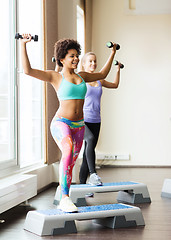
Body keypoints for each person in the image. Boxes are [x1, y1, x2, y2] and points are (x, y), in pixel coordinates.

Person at [20, 34, 116, 212]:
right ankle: (65, 198)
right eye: (71, 56)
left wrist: (113, 52)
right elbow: (28, 70)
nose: (76, 58)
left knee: (71, 162)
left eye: (76, 55)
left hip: (79, 126)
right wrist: (23, 45)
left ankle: (62, 189)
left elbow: (102, 74)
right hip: (61, 123)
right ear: (61, 59)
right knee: (67, 149)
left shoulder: (82, 76)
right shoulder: (55, 76)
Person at [79, 52, 121, 187]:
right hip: (83, 120)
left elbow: (115, 85)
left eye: (95, 61)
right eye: (90, 61)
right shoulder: (80, 79)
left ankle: (82, 187)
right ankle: (93, 174)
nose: (93, 64)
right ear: (84, 64)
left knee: (87, 154)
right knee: (90, 140)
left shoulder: (99, 80)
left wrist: (118, 70)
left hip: (96, 120)